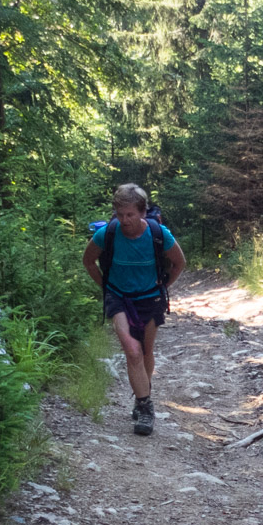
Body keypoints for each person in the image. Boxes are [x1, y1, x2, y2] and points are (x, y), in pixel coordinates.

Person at [84, 183, 185, 435]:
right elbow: (88, 261)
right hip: (118, 298)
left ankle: (142, 393)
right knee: (132, 351)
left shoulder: (158, 234)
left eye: (130, 214)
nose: (125, 220)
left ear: (142, 212)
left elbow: (179, 262)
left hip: (150, 299)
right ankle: (145, 406)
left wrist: (164, 285)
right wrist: (106, 288)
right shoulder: (106, 233)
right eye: (120, 214)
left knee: (146, 352)